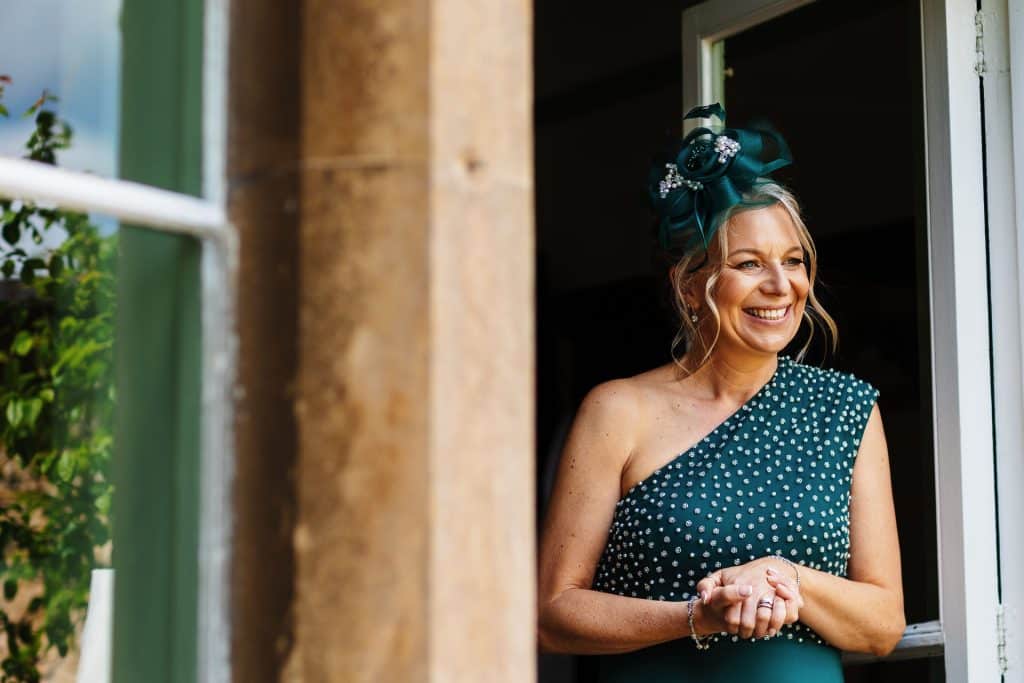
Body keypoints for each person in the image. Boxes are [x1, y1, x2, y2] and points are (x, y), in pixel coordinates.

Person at [537, 104, 905, 682]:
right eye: (749, 264)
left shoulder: (846, 409)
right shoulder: (617, 410)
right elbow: (554, 614)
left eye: (793, 261)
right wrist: (698, 616)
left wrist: (784, 576)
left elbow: (884, 624)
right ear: (690, 286)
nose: (781, 286)